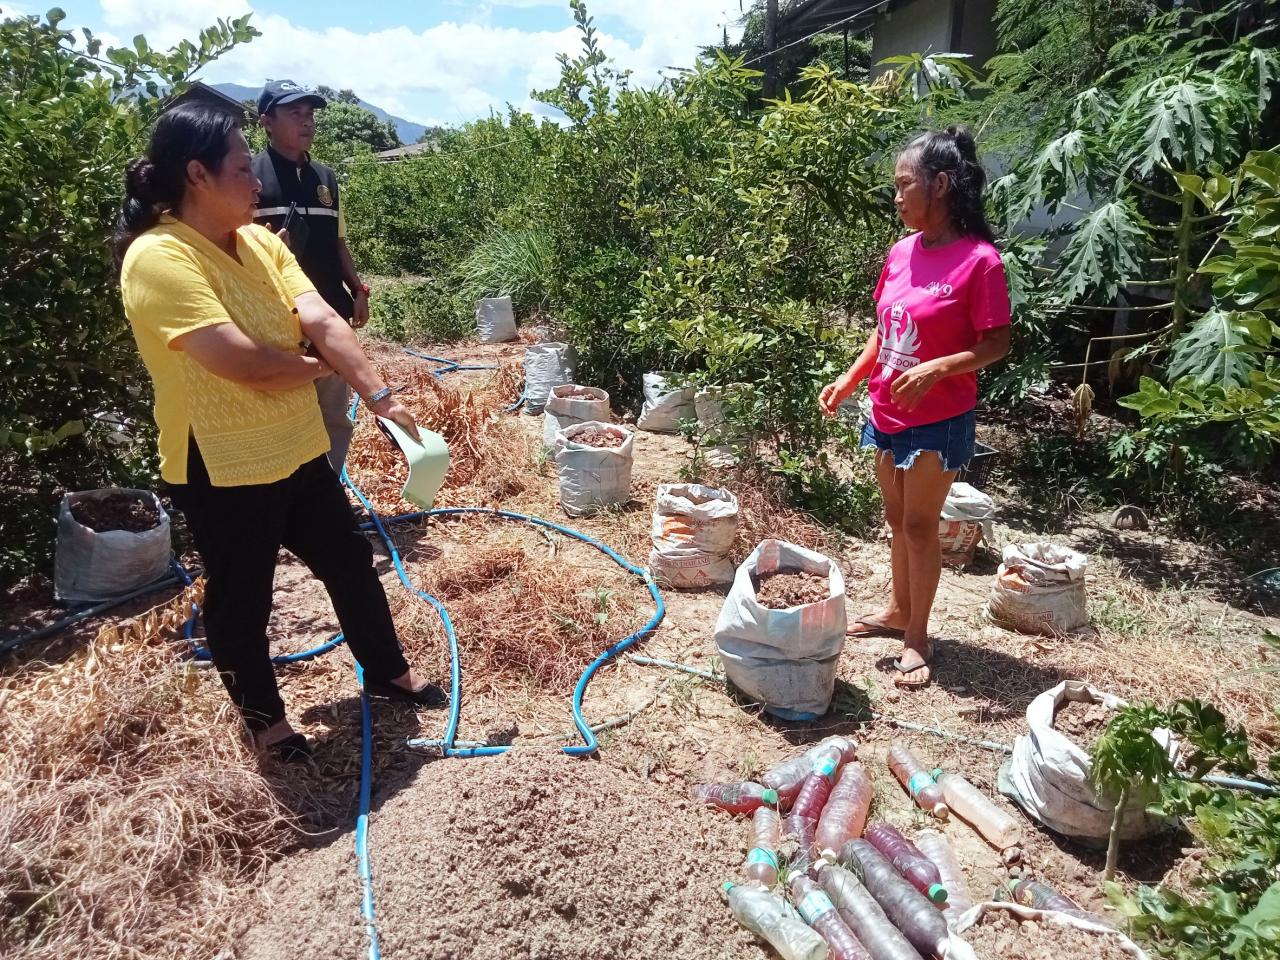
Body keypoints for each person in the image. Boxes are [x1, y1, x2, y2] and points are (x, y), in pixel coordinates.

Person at [114, 102, 446, 762]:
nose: (256, 181)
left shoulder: (262, 242)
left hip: (295, 443)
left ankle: (386, 670)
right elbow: (244, 363)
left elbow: (321, 318)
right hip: (221, 459)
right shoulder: (159, 257)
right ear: (198, 174)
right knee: (243, 594)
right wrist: (326, 369)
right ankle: (266, 722)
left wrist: (378, 395)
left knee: (347, 559)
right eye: (243, 169)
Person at [819, 126, 1011, 689]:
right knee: (896, 518)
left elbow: (996, 343)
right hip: (886, 410)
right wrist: (850, 379)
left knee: (923, 525)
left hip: (939, 419)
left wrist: (936, 369)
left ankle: (918, 637)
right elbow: (885, 330)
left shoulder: (980, 262)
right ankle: (899, 610)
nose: (897, 196)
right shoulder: (901, 252)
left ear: (941, 185)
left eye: (906, 184)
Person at [251, 80, 366, 474]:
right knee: (284, 412)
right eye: (294, 113)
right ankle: (286, 489)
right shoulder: (249, 177)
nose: (307, 122)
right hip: (276, 317)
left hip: (330, 312)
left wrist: (357, 289)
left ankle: (328, 489)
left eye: (310, 114)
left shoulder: (325, 179)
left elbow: (338, 242)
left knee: (333, 414)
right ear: (267, 121)